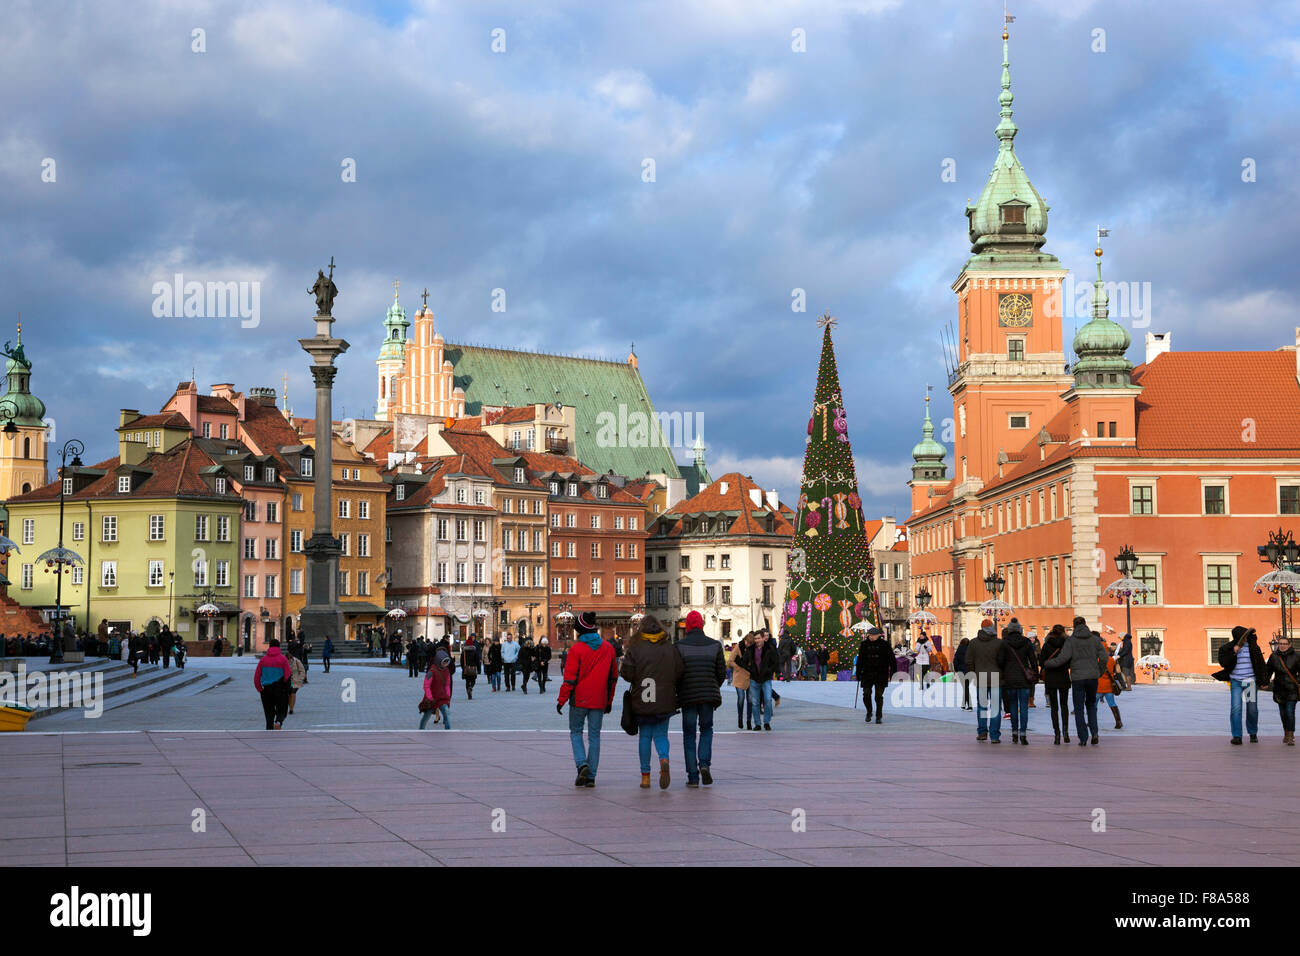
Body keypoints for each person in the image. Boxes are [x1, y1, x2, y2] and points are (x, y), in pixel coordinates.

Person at [556, 610, 619, 788]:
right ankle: (591, 776)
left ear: (580, 631)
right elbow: (613, 677)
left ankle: (581, 764)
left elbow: (569, 679)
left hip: (579, 700)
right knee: (594, 737)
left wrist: (561, 700)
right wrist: (609, 701)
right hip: (599, 699)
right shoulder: (608, 648)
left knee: (576, 732)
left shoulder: (576, 650)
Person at [621, 614, 684, 789]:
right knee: (661, 735)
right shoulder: (669, 647)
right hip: (665, 699)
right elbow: (679, 671)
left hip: (642, 699)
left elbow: (627, 674)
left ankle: (645, 777)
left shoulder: (635, 648)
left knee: (645, 737)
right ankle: (664, 758)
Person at [1043, 616, 1111, 746]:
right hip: (1092, 677)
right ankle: (1095, 733)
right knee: (1091, 706)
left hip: (1078, 678)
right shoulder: (1095, 640)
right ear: (1085, 625)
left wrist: (1048, 663)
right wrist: (1099, 671)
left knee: (1079, 708)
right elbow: (1104, 657)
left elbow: (1063, 658)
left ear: (1074, 626)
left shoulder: (1071, 641)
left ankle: (1083, 737)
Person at [676, 610, 725, 787]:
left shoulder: (679, 646)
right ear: (702, 624)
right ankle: (704, 764)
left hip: (688, 696)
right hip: (708, 696)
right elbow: (721, 673)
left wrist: (679, 691)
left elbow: (676, 674)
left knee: (689, 735)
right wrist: (712, 686)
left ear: (687, 626)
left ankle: (693, 776)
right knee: (706, 729)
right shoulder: (714, 645)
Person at [1216, 625, 1267, 745]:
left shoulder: (1253, 647)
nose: (1245, 639)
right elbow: (1223, 663)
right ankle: (1237, 736)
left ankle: (1253, 733)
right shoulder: (1228, 648)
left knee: (1252, 709)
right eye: (1243, 637)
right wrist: (1233, 652)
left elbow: (1260, 664)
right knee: (1236, 709)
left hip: (1250, 682)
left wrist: (1264, 681)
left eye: (1246, 637)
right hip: (1236, 682)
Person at [996, 618, 1037, 745]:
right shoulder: (1026, 642)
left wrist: (1005, 670)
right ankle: (1023, 734)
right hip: (1024, 679)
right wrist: (1035, 673)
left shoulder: (1004, 643)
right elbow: (1033, 660)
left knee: (1013, 706)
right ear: (1019, 630)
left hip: (1009, 679)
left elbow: (1000, 661)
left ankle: (1014, 732)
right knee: (1024, 707)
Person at [966, 618, 1003, 742]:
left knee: (982, 707)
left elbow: (968, 661)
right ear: (992, 628)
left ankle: (982, 732)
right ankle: (994, 735)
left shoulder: (973, 643)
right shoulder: (999, 643)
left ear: (981, 628)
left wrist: (974, 673)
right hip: (996, 677)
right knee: (995, 708)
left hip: (980, 677)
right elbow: (1004, 661)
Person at [739, 630, 778, 731]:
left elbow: (776, 662)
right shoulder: (750, 649)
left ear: (763, 638)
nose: (756, 640)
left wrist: (769, 670)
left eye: (758, 638)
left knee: (768, 700)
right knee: (755, 702)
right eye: (755, 639)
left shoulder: (770, 648)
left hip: (766, 678)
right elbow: (743, 662)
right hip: (754, 679)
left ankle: (767, 722)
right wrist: (750, 670)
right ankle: (757, 724)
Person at [1038, 624, 1072, 744]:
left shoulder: (1047, 645)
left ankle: (1057, 735)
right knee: (1064, 706)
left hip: (1051, 678)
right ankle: (1066, 732)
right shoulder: (1066, 645)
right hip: (1063, 677)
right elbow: (1069, 662)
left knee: (1054, 708)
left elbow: (1041, 662)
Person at [855, 626, 895, 724]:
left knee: (878, 696)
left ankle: (878, 715)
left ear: (878, 635)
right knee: (866, 694)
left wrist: (893, 672)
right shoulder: (864, 644)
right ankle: (869, 711)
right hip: (867, 673)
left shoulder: (884, 645)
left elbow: (892, 659)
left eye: (873, 635)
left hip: (881, 673)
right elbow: (860, 660)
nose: (871, 637)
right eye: (870, 635)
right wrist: (858, 672)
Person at [1266, 634, 1300, 746]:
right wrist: (1264, 683)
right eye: (1280, 643)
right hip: (1279, 689)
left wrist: (1297, 681)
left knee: (1290, 712)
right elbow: (1268, 672)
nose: (1282, 646)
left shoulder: (1296, 656)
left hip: (1292, 689)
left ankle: (1290, 736)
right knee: (1283, 714)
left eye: (1285, 644)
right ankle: (1286, 732)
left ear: (1290, 645)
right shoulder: (1273, 657)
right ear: (1278, 645)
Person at [254, 639, 293, 730]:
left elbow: (256, 677)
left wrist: (260, 689)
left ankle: (269, 729)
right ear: (279, 647)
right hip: (280, 690)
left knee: (269, 713)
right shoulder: (283, 659)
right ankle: (278, 722)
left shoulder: (263, 660)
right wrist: (289, 689)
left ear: (269, 647)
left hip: (266, 690)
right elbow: (287, 676)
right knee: (282, 709)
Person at [420, 646, 453, 730]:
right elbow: (426, 686)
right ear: (439, 661)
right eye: (444, 662)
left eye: (447, 662)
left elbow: (447, 684)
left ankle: (448, 731)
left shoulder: (446, 671)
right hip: (432, 698)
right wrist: (430, 697)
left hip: (442, 697)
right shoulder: (432, 671)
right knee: (426, 716)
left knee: (447, 714)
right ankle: (421, 730)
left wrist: (448, 696)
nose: (445, 664)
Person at [1097, 641, 1123, 730]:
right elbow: (1116, 671)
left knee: (1093, 705)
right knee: (1112, 703)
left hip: (1098, 686)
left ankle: (1092, 721)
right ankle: (1118, 721)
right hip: (1109, 686)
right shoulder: (1111, 659)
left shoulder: (1096, 659)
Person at [731, 633, 754, 729]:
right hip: (739, 676)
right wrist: (738, 668)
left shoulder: (753, 649)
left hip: (749, 676)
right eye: (747, 642)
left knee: (750, 700)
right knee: (741, 698)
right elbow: (730, 660)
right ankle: (740, 718)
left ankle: (748, 721)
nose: (748, 644)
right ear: (744, 640)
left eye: (750, 643)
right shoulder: (738, 647)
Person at [953, 637, 972, 710]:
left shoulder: (959, 649)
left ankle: (969, 706)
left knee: (965, 688)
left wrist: (956, 669)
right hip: (969, 671)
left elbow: (955, 660)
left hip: (961, 671)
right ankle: (963, 705)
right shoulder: (970, 650)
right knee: (966, 687)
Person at [288, 649, 307, 716]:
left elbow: (302, 671)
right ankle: (290, 706)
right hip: (287, 681)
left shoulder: (297, 661)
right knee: (288, 694)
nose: (288, 661)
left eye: (289, 660)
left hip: (296, 681)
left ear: (291, 658)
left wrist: (300, 679)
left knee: (293, 693)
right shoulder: (284, 662)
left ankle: (291, 709)